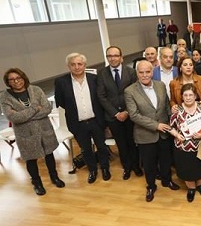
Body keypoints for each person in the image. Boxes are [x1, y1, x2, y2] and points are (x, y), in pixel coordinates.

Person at [0, 68, 65, 195]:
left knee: (49, 154)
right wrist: (35, 108)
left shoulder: (36, 90)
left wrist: (24, 114)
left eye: (18, 78)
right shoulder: (5, 97)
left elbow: (47, 108)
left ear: (23, 77)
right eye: (12, 80)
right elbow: (13, 117)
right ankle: (37, 183)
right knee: (31, 159)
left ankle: (54, 177)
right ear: (8, 82)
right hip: (25, 134)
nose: (16, 81)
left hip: (44, 129)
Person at [124, 61, 180, 202]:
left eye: (147, 72)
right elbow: (134, 115)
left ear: (152, 72)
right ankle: (151, 186)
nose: (144, 75)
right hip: (145, 135)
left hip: (164, 133)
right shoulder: (129, 91)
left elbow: (166, 107)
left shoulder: (160, 85)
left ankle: (167, 181)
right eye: (141, 72)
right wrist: (156, 125)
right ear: (137, 73)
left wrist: (173, 125)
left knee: (166, 160)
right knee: (149, 164)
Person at [54, 53, 111, 184]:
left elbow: (101, 97)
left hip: (96, 121)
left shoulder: (94, 79)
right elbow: (61, 102)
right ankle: (92, 170)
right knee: (85, 149)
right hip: (77, 124)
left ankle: (105, 168)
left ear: (85, 65)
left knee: (102, 147)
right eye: (73, 64)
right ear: (68, 66)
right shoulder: (61, 82)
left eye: (80, 64)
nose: (77, 67)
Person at [97, 46, 142, 180]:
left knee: (132, 141)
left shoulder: (131, 72)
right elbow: (101, 96)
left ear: (121, 57)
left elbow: (136, 92)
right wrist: (116, 113)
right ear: (107, 58)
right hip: (113, 117)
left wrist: (128, 111)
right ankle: (126, 167)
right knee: (121, 143)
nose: (113, 58)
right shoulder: (102, 74)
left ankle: (136, 165)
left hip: (130, 114)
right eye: (110, 56)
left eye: (116, 55)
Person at [169, 83, 201, 202]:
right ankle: (191, 189)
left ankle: (200, 185)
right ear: (182, 96)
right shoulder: (177, 110)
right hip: (184, 147)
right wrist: (177, 135)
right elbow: (170, 127)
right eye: (186, 95)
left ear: (195, 96)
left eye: (191, 95)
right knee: (187, 170)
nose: (188, 97)